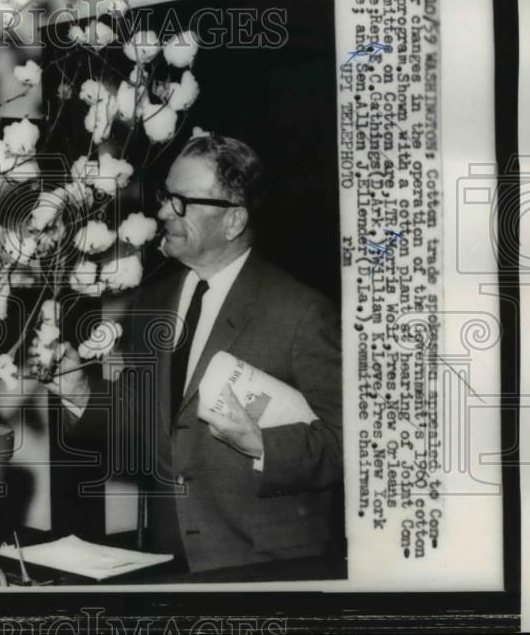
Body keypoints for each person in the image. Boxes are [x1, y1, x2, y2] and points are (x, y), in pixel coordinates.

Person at [55, 133, 343, 579]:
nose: (164, 211)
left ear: (233, 222)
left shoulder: (303, 313)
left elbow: (353, 448)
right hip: (169, 561)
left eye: (182, 201)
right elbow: (146, 424)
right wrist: (79, 393)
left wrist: (265, 446)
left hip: (267, 569)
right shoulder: (151, 302)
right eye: (165, 195)